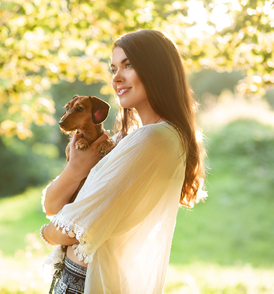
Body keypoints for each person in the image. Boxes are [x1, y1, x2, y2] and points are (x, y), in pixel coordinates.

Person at [40, 29, 206, 294]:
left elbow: (74, 228)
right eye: (114, 67)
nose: (116, 77)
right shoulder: (127, 139)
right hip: (76, 276)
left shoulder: (154, 138)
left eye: (128, 65)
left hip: (88, 281)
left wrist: (47, 233)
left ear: (157, 70)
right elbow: (53, 205)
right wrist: (75, 169)